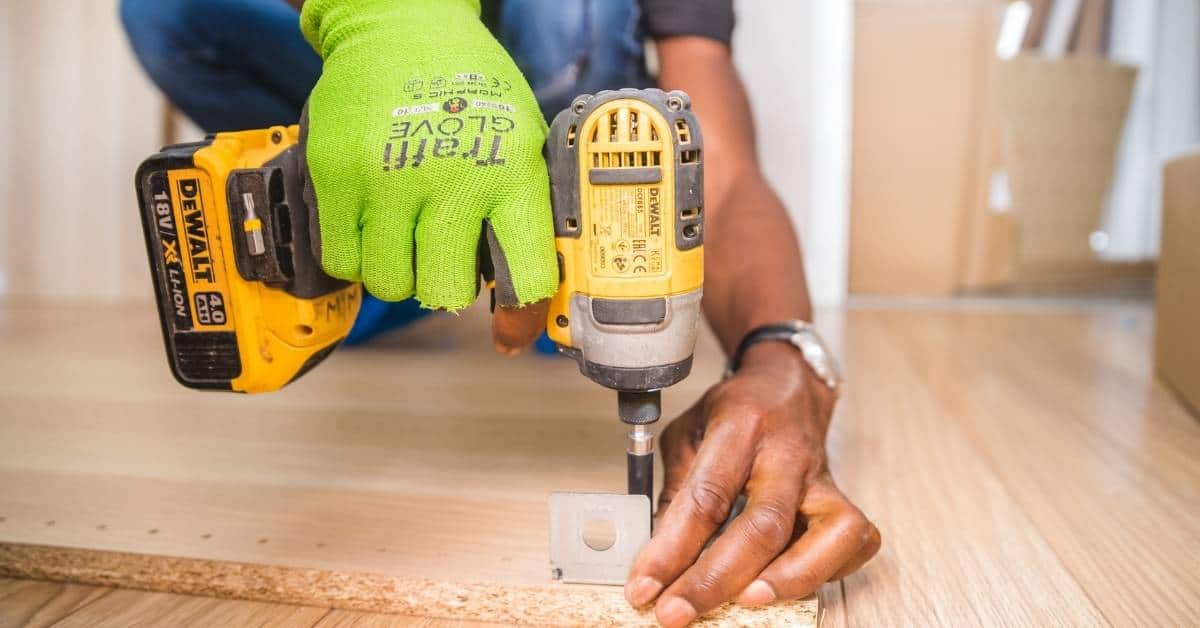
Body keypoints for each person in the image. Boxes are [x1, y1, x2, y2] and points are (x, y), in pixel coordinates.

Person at [120, 1, 880, 625]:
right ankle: (383, 235)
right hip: (380, 88)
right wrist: (385, 18)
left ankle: (528, 249)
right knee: (169, 9)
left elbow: (724, 172)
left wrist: (783, 353)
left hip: (556, 143)